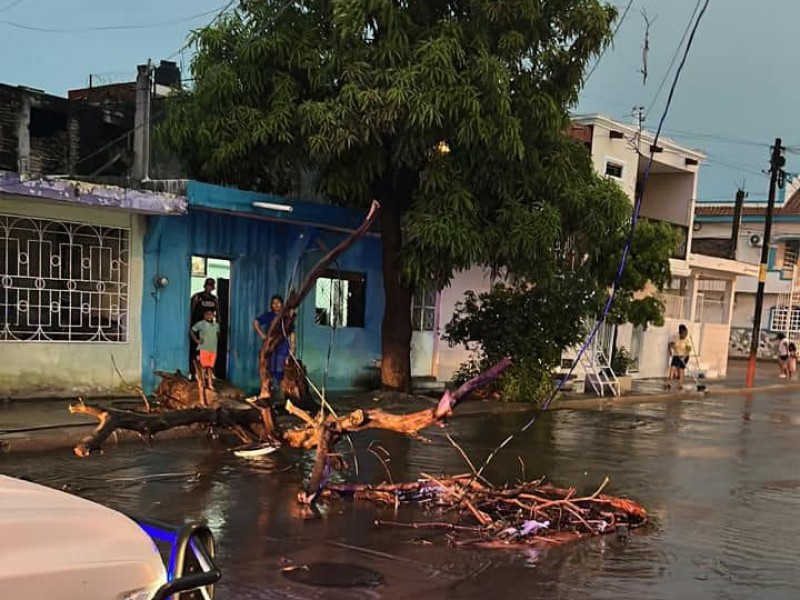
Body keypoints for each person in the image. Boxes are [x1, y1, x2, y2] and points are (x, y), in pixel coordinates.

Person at [253, 295, 296, 398]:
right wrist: (262, 335)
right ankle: (269, 395)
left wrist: (293, 347)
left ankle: (283, 397)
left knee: (282, 372)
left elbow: (292, 333)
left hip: (283, 347)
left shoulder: (286, 317)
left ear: (282, 304)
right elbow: (255, 322)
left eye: (278, 302)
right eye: (273, 303)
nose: (276, 305)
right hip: (271, 348)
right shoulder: (269, 316)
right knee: (269, 371)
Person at [189, 278, 219, 379]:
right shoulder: (197, 297)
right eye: (208, 285)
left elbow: (218, 314)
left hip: (210, 329)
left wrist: (218, 328)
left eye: (211, 286)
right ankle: (193, 373)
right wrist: (191, 325)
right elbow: (191, 311)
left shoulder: (214, 299)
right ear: (205, 285)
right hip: (198, 327)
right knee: (195, 350)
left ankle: (208, 375)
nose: (209, 288)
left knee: (209, 351)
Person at [190, 309, 220, 391]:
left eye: (211, 314)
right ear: (204, 315)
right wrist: (197, 340)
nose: (209, 316)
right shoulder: (201, 324)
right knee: (203, 367)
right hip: (204, 349)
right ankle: (203, 383)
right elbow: (192, 331)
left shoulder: (216, 325)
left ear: (213, 315)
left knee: (210, 367)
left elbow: (217, 334)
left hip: (213, 349)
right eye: (207, 314)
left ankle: (210, 384)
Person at [667, 324, 692, 390]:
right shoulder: (676, 337)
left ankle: (680, 384)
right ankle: (669, 383)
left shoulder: (687, 339)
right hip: (676, 355)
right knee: (672, 367)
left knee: (681, 369)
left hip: (685, 355)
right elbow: (670, 344)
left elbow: (689, 349)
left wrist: (684, 356)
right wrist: (670, 350)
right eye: (683, 333)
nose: (684, 335)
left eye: (685, 333)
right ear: (680, 333)